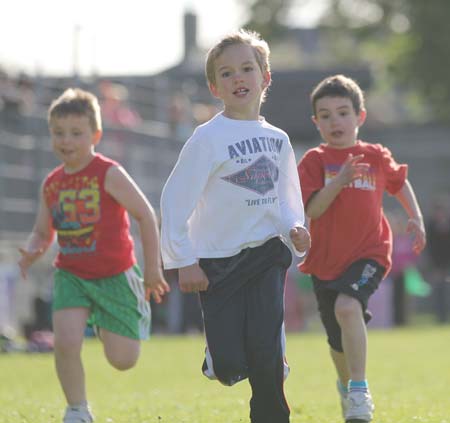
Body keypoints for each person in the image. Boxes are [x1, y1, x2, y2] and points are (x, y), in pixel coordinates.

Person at [160, 29, 310, 423]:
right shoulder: (207, 139)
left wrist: (295, 227)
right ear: (214, 87)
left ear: (266, 77)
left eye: (247, 69)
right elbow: (175, 201)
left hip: (265, 256)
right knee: (229, 367)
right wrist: (184, 260)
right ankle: (219, 356)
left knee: (265, 356)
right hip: (216, 263)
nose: (238, 78)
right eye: (226, 73)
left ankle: (272, 407)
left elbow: (284, 197)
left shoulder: (277, 139)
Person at [18, 88, 169, 423]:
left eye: (76, 133)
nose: (66, 141)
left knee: (123, 359)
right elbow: (44, 232)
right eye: (58, 133)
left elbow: (145, 215)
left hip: (115, 274)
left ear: (95, 135)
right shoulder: (52, 184)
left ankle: (113, 317)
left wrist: (152, 269)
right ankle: (77, 409)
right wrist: (32, 250)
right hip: (71, 274)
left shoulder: (108, 173)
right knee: (66, 342)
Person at [297, 74, 426, 423]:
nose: (334, 121)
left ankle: (358, 391)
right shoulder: (314, 160)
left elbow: (400, 182)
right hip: (325, 261)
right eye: (325, 115)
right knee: (337, 339)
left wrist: (415, 216)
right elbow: (313, 209)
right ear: (316, 122)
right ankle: (346, 386)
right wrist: (339, 180)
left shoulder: (375, 155)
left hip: (370, 252)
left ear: (360, 117)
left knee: (348, 306)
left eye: (342, 112)